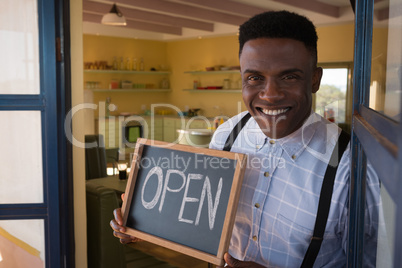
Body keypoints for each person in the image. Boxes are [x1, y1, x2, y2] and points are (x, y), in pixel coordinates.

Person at [111, 10, 380, 267]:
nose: (270, 94)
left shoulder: (354, 168)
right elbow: (200, 234)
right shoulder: (227, 135)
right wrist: (142, 229)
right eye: (254, 78)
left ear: (314, 79)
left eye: (289, 77)